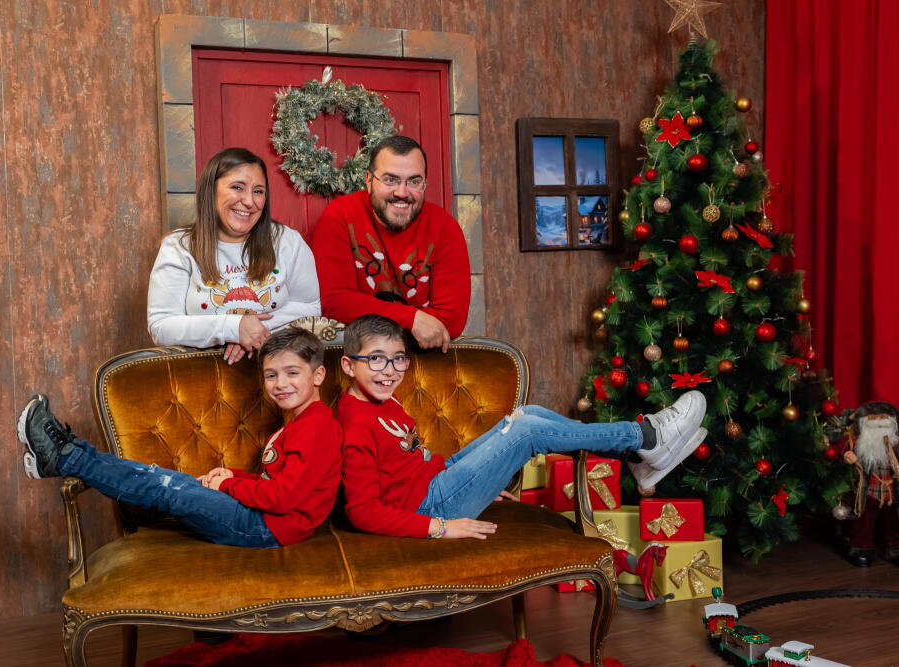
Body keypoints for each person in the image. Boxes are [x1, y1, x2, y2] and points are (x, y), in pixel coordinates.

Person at [337, 314, 707, 539]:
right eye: (376, 360)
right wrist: (442, 526)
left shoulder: (382, 398)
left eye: (398, 359)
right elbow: (362, 511)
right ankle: (643, 438)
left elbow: (407, 467)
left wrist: (483, 480)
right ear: (348, 366)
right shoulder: (356, 424)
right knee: (527, 432)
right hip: (431, 508)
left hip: (438, 482)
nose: (390, 371)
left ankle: (637, 455)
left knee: (524, 414)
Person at [15, 327, 342, 547]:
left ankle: (66, 457)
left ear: (318, 375)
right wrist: (235, 476)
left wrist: (227, 486)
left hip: (265, 528)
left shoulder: (317, 428)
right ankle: (66, 454)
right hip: (264, 519)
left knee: (165, 487)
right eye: (271, 375)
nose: (280, 384)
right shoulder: (302, 421)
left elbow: (283, 498)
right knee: (162, 479)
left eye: (292, 373)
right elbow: (279, 481)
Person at [148, 147, 320, 364]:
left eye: (258, 191)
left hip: (276, 370)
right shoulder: (178, 246)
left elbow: (311, 307)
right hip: (201, 373)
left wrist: (254, 330)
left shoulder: (287, 241)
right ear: (211, 190)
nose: (249, 201)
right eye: (237, 187)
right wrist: (233, 328)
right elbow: (161, 326)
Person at [309, 136, 470, 353]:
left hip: (426, 361)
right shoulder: (340, 216)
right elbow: (334, 302)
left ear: (425, 183)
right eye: (390, 180)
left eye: (414, 181)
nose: (402, 192)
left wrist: (362, 311)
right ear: (369, 180)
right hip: (355, 358)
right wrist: (412, 319)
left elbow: (451, 320)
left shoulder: (445, 228)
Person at [839, 401, 899, 567]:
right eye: (873, 418)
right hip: (866, 489)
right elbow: (843, 451)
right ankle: (861, 548)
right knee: (863, 520)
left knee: (894, 519)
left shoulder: (895, 443)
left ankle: (895, 548)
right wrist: (846, 456)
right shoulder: (857, 442)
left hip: (892, 489)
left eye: (883, 417)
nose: (878, 421)